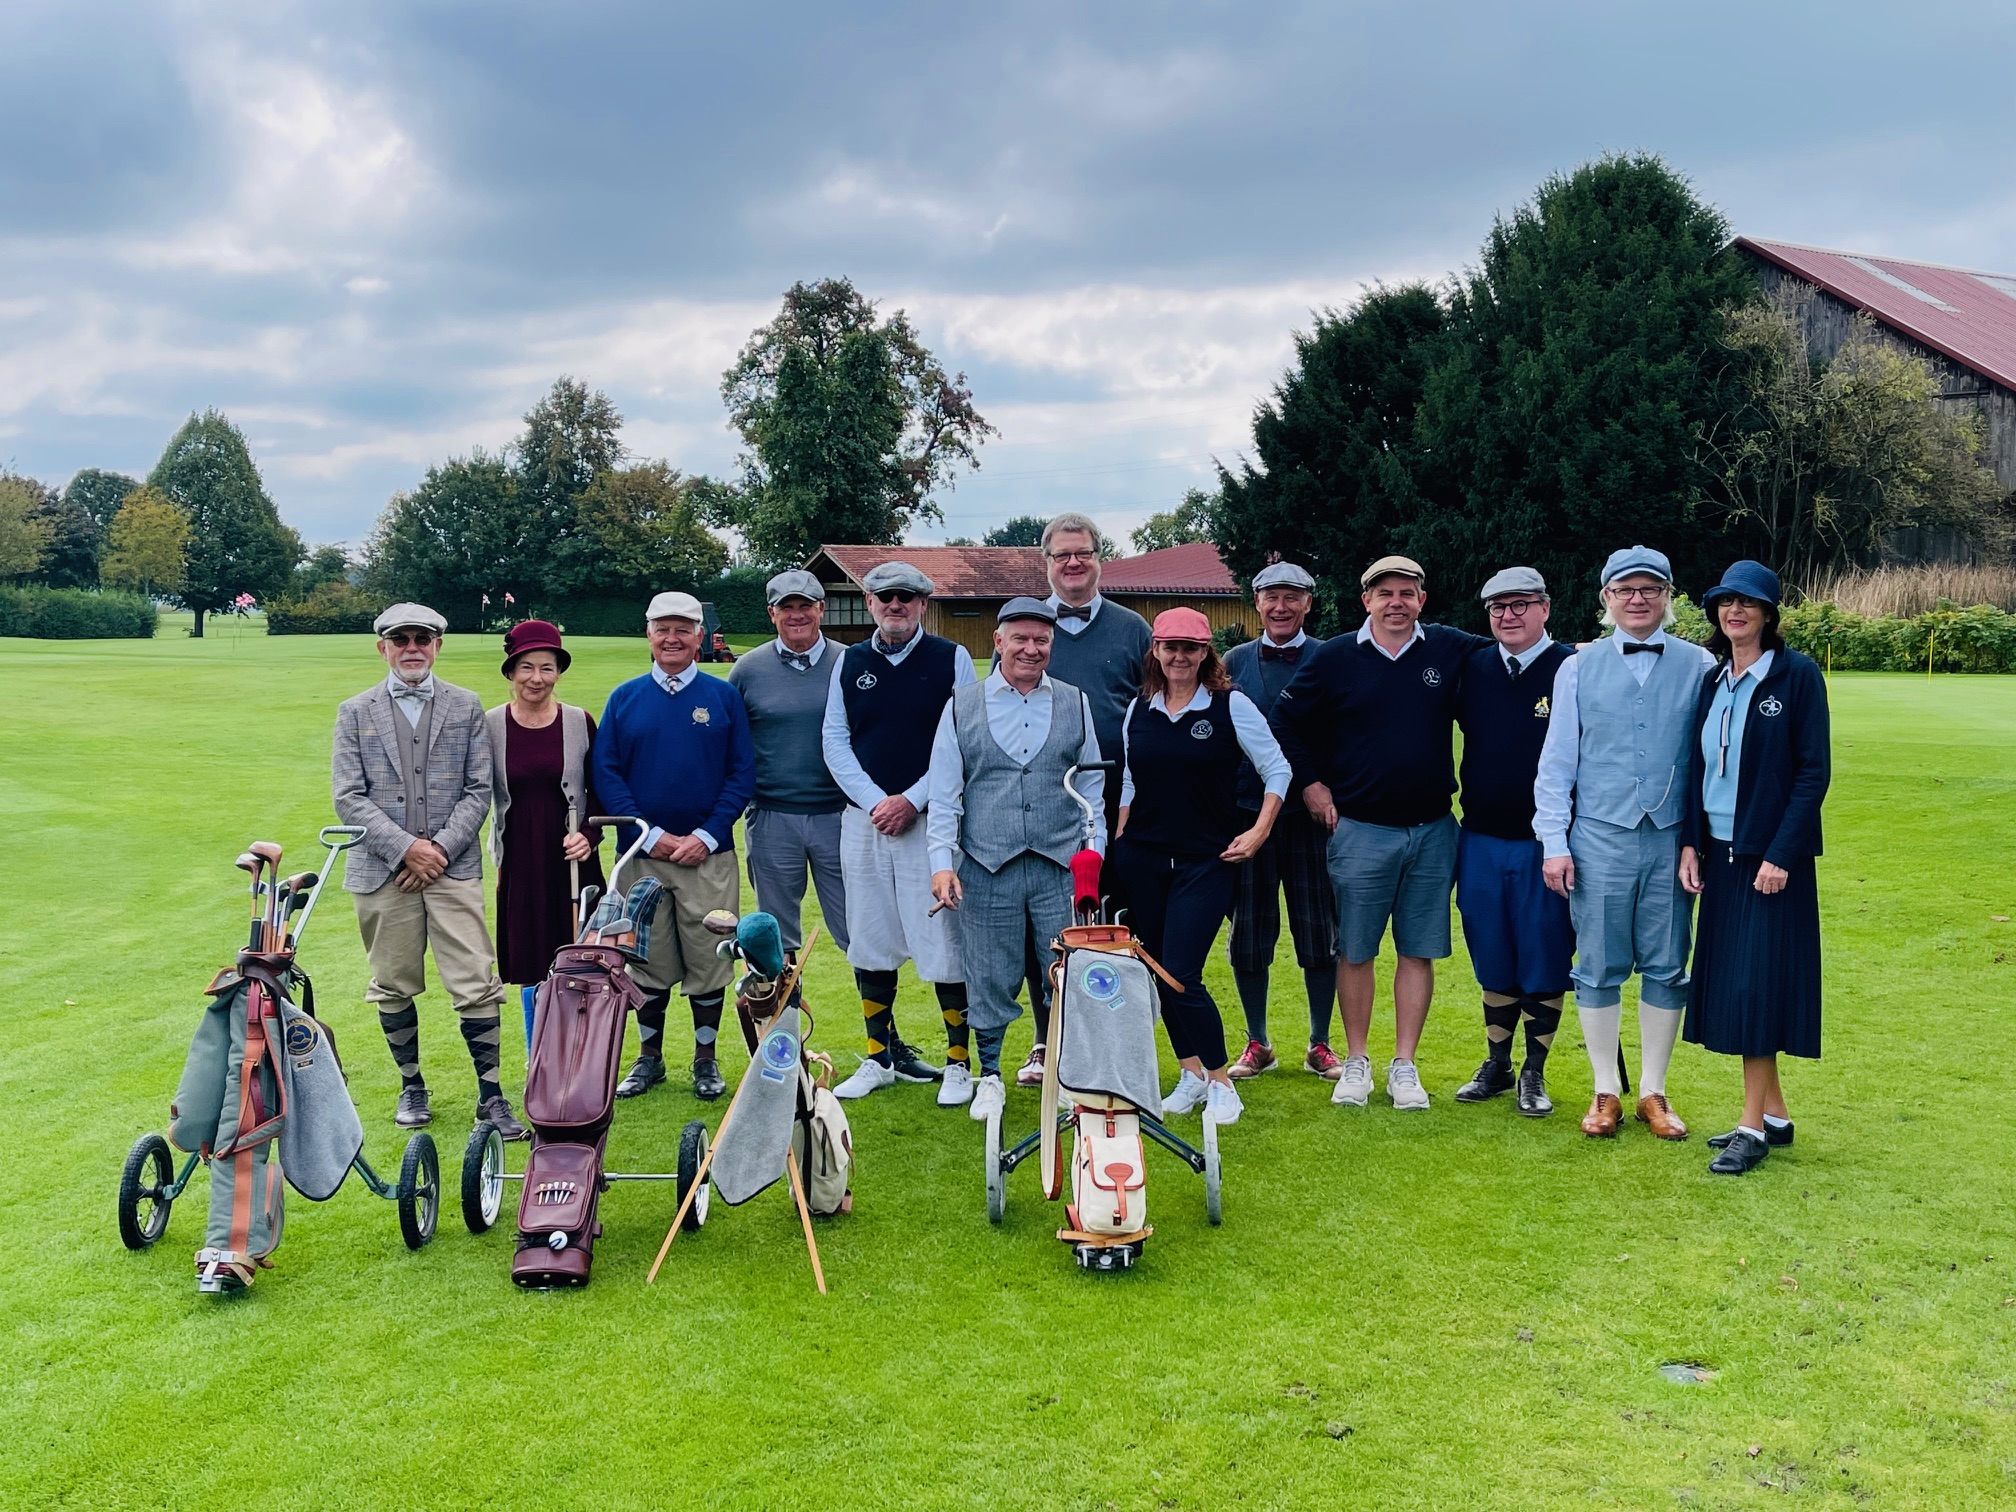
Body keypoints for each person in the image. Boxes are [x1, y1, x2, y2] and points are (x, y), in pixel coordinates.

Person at [1270, 555, 1489, 1112]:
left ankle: (1405, 1066)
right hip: (1361, 830)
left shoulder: (1448, 647)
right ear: (1366, 599)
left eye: (1407, 593)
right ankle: (1357, 1061)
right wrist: (1311, 784)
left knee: (1418, 951)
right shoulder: (1335, 656)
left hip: (1433, 830)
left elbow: (1517, 651)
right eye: (1385, 593)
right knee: (1357, 949)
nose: (1397, 602)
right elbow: (1285, 721)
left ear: (1422, 599)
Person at [1533, 546, 1716, 1140]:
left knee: (1668, 963)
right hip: (1598, 838)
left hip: (1671, 840)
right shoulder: (1577, 667)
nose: (1638, 599)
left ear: (1667, 597)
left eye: (1650, 589)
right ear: (1606, 598)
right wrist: (1553, 841)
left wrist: (1699, 840)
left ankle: (1654, 1092)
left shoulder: (1700, 664)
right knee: (1597, 965)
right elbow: (1557, 763)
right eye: (1625, 590)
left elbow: (1710, 761)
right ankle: (1605, 1089)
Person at [332, 603, 516, 1135]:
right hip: (382, 871)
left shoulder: (466, 705)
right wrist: (406, 849)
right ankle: (411, 1085)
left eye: (422, 639)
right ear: (383, 648)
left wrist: (435, 851)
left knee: (477, 981)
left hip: (451, 869)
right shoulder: (354, 711)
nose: (411, 648)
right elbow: (348, 796)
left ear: (438, 645)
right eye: (401, 639)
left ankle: (491, 1095)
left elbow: (479, 789)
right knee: (392, 982)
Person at [926, 598, 1105, 1125]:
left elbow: (1092, 784)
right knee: (987, 973)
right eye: (1020, 639)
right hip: (987, 863)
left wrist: (1092, 854)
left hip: (1059, 865)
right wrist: (941, 863)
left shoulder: (1075, 702)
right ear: (998, 642)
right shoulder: (961, 705)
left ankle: (1068, 1075)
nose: (1031, 649)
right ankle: (990, 1077)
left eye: (1041, 640)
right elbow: (944, 793)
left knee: (1066, 972)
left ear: (1052, 645)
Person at [1678, 561, 1830, 1175]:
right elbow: (1695, 769)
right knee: (1739, 983)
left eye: (1747, 602)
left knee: (1755, 990)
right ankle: (1775, 1116)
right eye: (1726, 602)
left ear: (1768, 613)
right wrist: (1690, 844)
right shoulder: (1714, 680)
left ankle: (1751, 1129)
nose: (1735, 611)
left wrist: (1780, 853)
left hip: (1770, 865)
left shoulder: (1797, 676)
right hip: (1721, 855)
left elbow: (1813, 773)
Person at [1113, 607, 1290, 1126]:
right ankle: (1190, 1074)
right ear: (1156, 650)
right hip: (1143, 859)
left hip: (1206, 860)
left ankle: (1221, 1082)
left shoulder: (1231, 705)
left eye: (1190, 648)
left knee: (1181, 974)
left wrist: (1258, 832)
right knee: (1157, 971)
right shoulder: (1138, 707)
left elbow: (1278, 768)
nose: (1179, 656)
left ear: (1205, 652)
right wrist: (1121, 837)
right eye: (1170, 646)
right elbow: (1130, 779)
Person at [1003, 512, 1155, 1090]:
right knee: (1048, 926)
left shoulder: (1132, 629)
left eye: (1083, 553)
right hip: (1044, 805)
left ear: (1098, 559)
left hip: (1123, 804)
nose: (1073, 562)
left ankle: (1116, 1038)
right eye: (1061, 554)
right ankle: (1049, 1039)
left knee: (1119, 921)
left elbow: (1154, 706)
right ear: (1045, 562)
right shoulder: (1029, 628)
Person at [821, 560, 979, 1104]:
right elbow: (835, 740)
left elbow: (964, 739)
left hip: (932, 820)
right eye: (885, 596)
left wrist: (912, 800)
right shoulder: (849, 662)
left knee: (943, 938)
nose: (895, 604)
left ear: (923, 604)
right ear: (869, 602)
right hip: (865, 821)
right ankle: (879, 1057)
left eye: (906, 597)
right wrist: (877, 803)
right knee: (870, 937)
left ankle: (959, 1063)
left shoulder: (951, 658)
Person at [593, 590, 756, 1103]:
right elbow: (607, 774)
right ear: (648, 634)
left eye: (683, 629)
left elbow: (742, 773)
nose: (672, 638)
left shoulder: (722, 697)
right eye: (662, 629)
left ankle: (705, 1059)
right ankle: (650, 1058)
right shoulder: (624, 698)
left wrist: (706, 835)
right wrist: (650, 833)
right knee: (646, 960)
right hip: (641, 857)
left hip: (708, 856)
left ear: (699, 636)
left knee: (710, 958)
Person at [1451, 568, 1575, 1117]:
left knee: (1544, 954)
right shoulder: (1474, 667)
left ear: (1545, 607)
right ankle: (1497, 1063)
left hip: (1544, 843)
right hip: (1479, 836)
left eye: (1521, 604)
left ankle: (1534, 1071)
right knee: (1492, 953)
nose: (1509, 616)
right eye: (1498, 607)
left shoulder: (1571, 667)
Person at [1221, 561, 1342, 1083]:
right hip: (1248, 815)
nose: (1281, 606)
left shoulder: (1331, 658)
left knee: (1319, 931)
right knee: (1249, 933)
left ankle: (1320, 1043)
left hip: (1312, 818)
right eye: (1271, 596)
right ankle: (1257, 1041)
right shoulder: (1232, 662)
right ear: (1257, 602)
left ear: (1308, 603)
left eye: (1292, 596)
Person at [486, 619, 603, 1054]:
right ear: (511, 672)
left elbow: (601, 790)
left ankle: (583, 1057)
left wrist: (589, 834)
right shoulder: (490, 725)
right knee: (533, 962)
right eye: (527, 667)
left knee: (583, 959)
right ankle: (540, 1057)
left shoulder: (579, 722)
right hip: (521, 861)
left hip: (572, 861)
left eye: (547, 668)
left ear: (558, 672)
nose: (537, 678)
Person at [727, 569, 850, 962]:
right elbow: (730, 743)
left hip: (841, 816)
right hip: (772, 816)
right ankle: (784, 1004)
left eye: (805, 606)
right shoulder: (747, 669)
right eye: (787, 607)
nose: (797, 615)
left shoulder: (849, 662)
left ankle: (875, 1004)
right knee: (776, 936)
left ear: (821, 609)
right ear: (771, 613)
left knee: (858, 928)